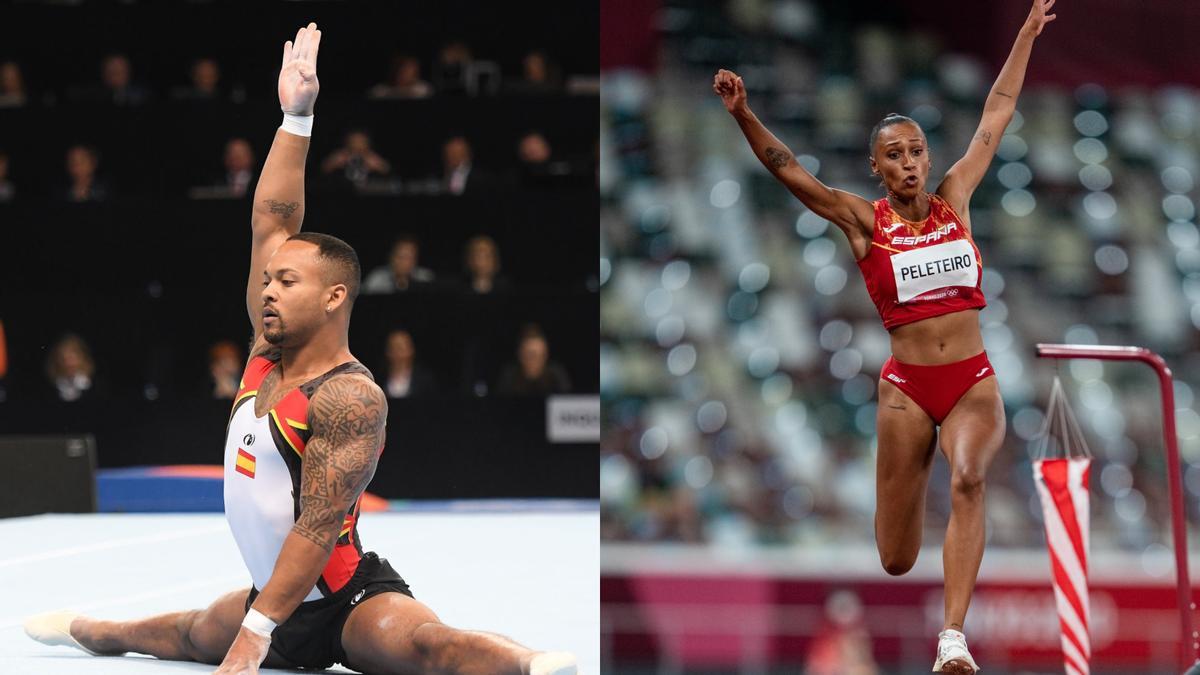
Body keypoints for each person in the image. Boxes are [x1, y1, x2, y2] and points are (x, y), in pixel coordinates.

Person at [24, 22, 577, 675]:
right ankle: (92, 628)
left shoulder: (349, 395)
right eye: (268, 279)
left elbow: (316, 529)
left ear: (336, 296)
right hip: (271, 595)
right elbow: (272, 219)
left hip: (344, 599)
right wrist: (296, 116)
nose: (270, 289)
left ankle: (531, 663)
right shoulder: (264, 351)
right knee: (177, 632)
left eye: (288, 281)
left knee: (432, 646)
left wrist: (256, 634)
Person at [713, 1, 1056, 672]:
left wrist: (1024, 33)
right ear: (877, 168)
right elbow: (789, 171)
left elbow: (997, 112)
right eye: (894, 155)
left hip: (971, 382)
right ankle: (918, 522)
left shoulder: (956, 199)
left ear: (929, 158)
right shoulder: (863, 222)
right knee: (895, 557)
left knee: (968, 477)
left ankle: (952, 639)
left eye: (916, 151)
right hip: (905, 390)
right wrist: (743, 114)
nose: (909, 163)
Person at [496, 325, 571, 396]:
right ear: (520, 354)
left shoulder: (556, 375)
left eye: (540, 355)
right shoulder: (509, 377)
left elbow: (567, 402)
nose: (534, 361)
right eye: (530, 355)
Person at [320, 129, 392, 191]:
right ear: (347, 142)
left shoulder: (371, 156)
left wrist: (376, 165)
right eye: (354, 141)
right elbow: (324, 169)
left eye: (361, 141)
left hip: (367, 191)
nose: (357, 144)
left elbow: (387, 170)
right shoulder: (342, 155)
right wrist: (335, 162)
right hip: (342, 191)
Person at [362, 233, 435, 294]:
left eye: (410, 257)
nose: (405, 262)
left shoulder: (425, 278)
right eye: (401, 257)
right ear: (391, 257)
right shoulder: (377, 279)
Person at [44, 333, 103, 402]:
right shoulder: (50, 390)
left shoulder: (98, 388)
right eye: (63, 358)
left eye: (72, 357)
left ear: (83, 357)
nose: (68, 363)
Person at [382, 329, 437, 398]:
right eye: (393, 348)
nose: (397, 353)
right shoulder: (379, 379)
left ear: (411, 350)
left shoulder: (424, 380)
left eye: (401, 348)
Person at [368, 54, 433, 99]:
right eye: (402, 70)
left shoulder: (424, 90)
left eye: (409, 70)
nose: (404, 74)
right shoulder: (379, 92)